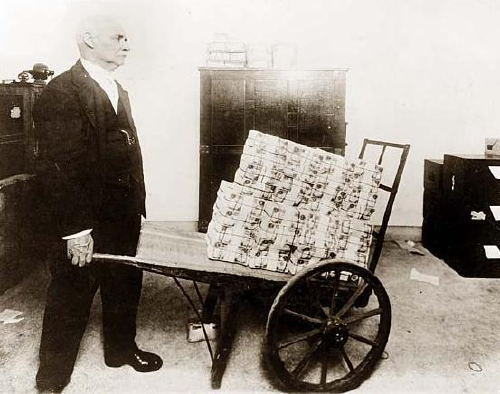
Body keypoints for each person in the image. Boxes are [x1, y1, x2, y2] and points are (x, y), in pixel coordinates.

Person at [33, 14, 162, 393]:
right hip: (83, 218)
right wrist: (76, 231)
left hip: (122, 211)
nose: (126, 44)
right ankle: (51, 379)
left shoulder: (118, 89)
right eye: (118, 37)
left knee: (124, 283)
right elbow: (58, 169)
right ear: (88, 39)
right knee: (71, 292)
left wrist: (136, 205)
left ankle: (120, 350)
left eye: (127, 38)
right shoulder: (61, 92)